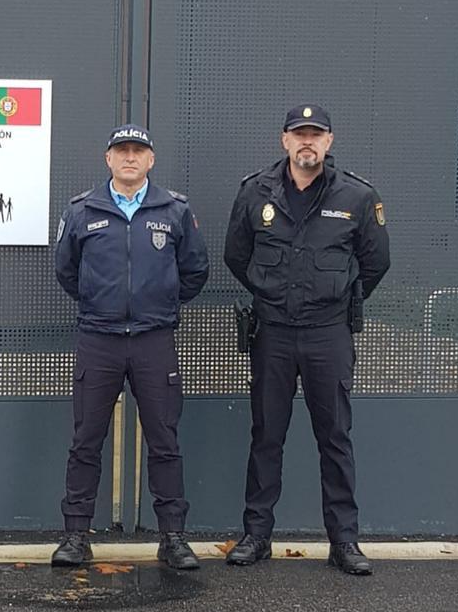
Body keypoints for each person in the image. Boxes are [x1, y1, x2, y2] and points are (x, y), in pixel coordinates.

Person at [222, 104, 390, 576]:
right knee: (266, 435)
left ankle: (344, 541)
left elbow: (376, 262)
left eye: (316, 134)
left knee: (335, 437)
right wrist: (273, 293)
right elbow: (236, 256)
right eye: (300, 134)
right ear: (285, 140)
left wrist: (334, 298)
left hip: (327, 334)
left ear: (329, 142)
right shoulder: (256, 192)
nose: (307, 142)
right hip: (272, 333)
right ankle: (257, 535)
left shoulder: (356, 196)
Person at [52, 125, 209, 570]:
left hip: (153, 340)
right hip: (98, 340)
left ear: (150, 160)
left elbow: (195, 270)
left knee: (164, 440)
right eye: (121, 150)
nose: (129, 157)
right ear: (108, 159)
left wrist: (159, 303)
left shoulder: (174, 210)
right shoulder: (83, 210)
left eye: (138, 150)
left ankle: (172, 537)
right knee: (86, 441)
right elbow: (67, 271)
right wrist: (101, 304)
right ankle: (76, 536)